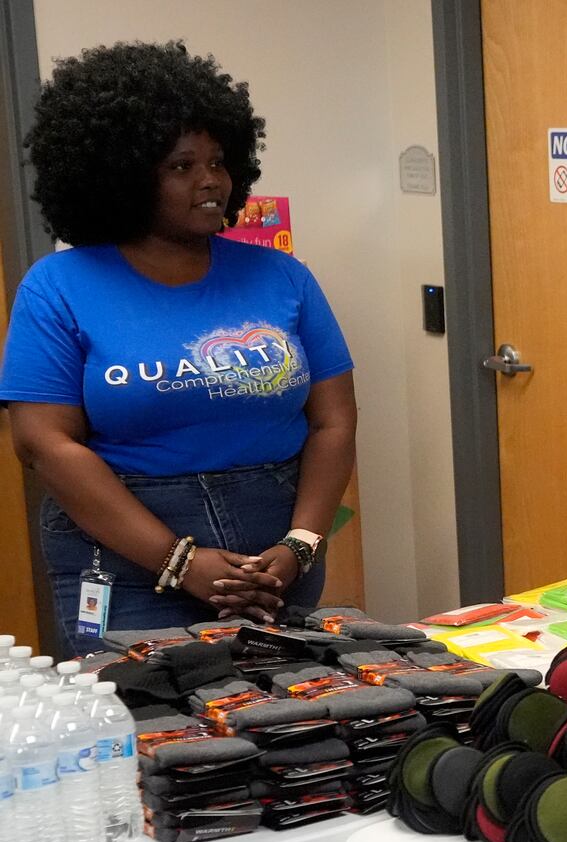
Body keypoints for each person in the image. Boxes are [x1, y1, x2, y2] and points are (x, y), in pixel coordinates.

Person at [0, 42, 356, 655]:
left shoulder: (282, 276)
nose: (211, 180)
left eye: (218, 161)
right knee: (153, 733)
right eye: (181, 166)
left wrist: (300, 545)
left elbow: (333, 418)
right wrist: (178, 561)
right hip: (126, 554)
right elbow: (43, 442)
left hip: (273, 555)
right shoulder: (58, 286)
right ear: (121, 173)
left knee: (291, 725)